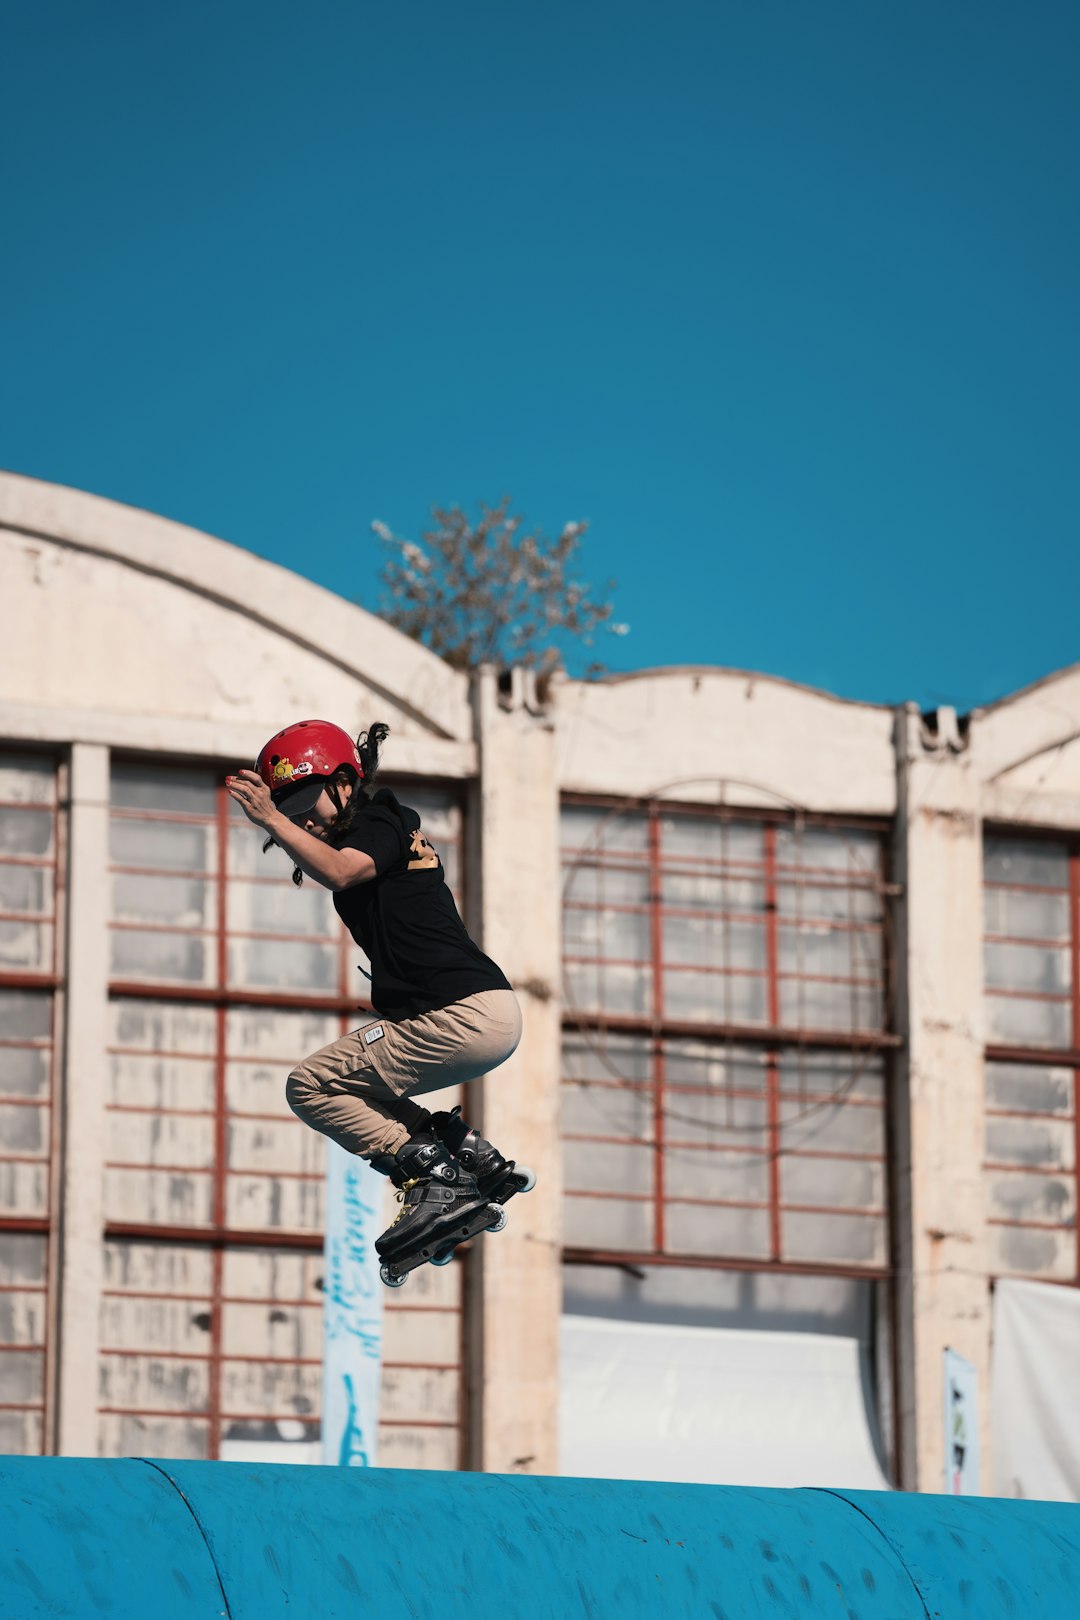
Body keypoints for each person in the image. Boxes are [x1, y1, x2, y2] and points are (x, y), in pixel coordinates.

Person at [225, 719, 532, 1270]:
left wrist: (270, 816)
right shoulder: (370, 829)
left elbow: (344, 872)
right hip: (476, 1012)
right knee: (358, 1091)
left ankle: (439, 1179)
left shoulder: (380, 818)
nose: (299, 819)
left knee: (312, 1084)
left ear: (345, 783)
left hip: (464, 1014)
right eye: (288, 810)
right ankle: (463, 1152)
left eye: (304, 800)